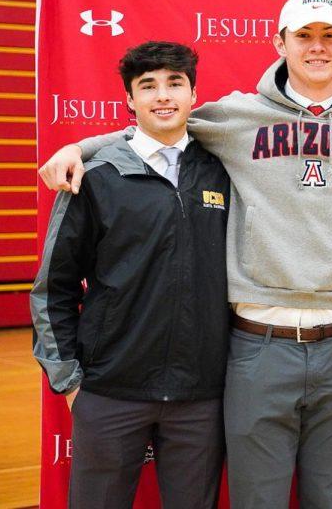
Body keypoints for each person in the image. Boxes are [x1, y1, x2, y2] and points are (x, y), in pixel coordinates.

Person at [36, 0, 332, 509]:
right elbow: (155, 128)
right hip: (256, 342)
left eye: (329, 36)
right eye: (304, 35)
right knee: (255, 499)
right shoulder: (235, 116)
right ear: (279, 42)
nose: (317, 47)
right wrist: (78, 148)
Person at [31, 41, 229, 508]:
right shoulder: (95, 177)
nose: (163, 96)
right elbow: (52, 288)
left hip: (200, 397)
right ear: (129, 100)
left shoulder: (223, 173)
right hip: (109, 392)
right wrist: (72, 383)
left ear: (193, 94)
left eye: (174, 84)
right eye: (148, 86)